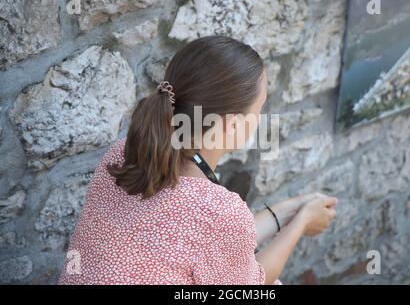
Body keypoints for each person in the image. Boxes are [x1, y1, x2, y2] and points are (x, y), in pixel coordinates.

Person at [58, 35, 338, 285]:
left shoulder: (123, 154)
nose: (261, 119)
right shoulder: (218, 212)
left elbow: (209, 242)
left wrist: (287, 211)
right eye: (259, 109)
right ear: (229, 125)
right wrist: (302, 222)